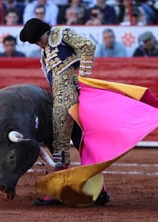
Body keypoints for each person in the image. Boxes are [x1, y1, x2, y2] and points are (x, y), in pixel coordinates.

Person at [19, 18, 110, 206]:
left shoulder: (60, 34)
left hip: (67, 98)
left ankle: (58, 191)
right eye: (35, 42)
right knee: (80, 141)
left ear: (44, 32)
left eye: (38, 39)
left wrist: (84, 75)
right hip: (66, 97)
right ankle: (101, 190)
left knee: (59, 142)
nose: (39, 43)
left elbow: (87, 45)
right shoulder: (44, 54)